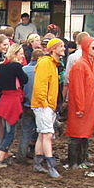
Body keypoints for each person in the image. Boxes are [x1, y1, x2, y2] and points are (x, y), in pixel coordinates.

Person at [65, 34, 94, 169]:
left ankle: (83, 159)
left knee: (86, 133)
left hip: (90, 105)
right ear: (86, 48)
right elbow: (77, 89)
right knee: (77, 134)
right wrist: (80, 107)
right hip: (82, 106)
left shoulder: (92, 64)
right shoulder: (80, 66)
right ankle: (73, 161)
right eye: (93, 48)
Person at [31, 37, 64, 177]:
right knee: (47, 134)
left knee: (42, 134)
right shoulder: (46, 63)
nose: (63, 48)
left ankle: (38, 163)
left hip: (46, 105)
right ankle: (51, 166)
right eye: (61, 46)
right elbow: (40, 85)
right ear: (53, 49)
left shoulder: (53, 64)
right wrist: (45, 104)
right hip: (43, 105)